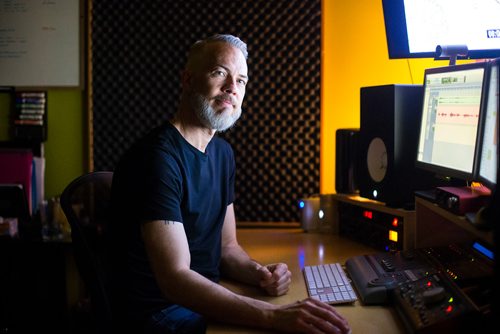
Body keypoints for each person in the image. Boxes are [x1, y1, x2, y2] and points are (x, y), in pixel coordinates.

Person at [108, 34, 351, 334]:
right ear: (187, 80)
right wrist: (273, 316)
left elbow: (227, 247)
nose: (231, 88)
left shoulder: (222, 154)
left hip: (199, 297)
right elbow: (175, 278)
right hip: (156, 312)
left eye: (241, 80)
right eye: (219, 73)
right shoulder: (157, 159)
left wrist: (259, 274)